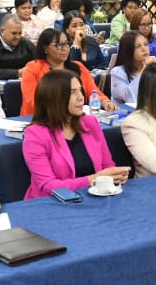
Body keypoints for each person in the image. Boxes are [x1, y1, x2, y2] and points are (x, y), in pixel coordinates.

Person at [22, 69, 130, 199]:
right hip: (53, 203)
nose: (81, 97)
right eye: (73, 92)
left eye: (80, 90)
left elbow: (107, 165)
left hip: (93, 197)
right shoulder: (35, 135)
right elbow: (48, 187)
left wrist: (114, 176)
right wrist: (94, 179)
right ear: (54, 97)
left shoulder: (90, 123)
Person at [20, 29, 115, 116]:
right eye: (58, 45)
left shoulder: (78, 67)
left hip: (75, 118)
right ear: (45, 48)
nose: (65, 49)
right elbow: (32, 101)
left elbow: (94, 92)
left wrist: (105, 102)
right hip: (42, 119)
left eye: (66, 44)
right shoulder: (33, 68)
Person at [0, 13, 35, 80]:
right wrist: (17, 73)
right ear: (2, 31)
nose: (18, 37)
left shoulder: (27, 44)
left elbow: (39, 63)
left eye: (20, 33)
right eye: (14, 33)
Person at [109, 29, 155, 105]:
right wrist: (144, 71)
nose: (144, 49)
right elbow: (130, 98)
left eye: (145, 44)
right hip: (127, 111)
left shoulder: (152, 68)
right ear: (128, 50)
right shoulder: (117, 72)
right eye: (138, 46)